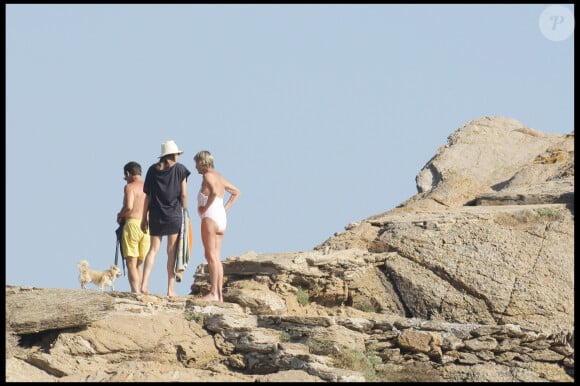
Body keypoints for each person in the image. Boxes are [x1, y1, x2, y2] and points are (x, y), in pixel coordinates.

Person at [141, 140, 190, 296]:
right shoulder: (180, 170)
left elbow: (147, 197)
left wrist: (144, 217)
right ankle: (170, 289)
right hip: (174, 214)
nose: (178, 156)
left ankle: (144, 284)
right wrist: (185, 212)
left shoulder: (151, 171)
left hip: (155, 215)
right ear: (172, 155)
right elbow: (183, 194)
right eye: (177, 154)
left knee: (153, 250)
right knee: (171, 251)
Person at [194, 150, 240, 302]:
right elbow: (235, 192)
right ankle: (219, 294)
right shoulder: (219, 177)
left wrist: (205, 208)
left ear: (202, 162)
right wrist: (224, 209)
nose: (196, 167)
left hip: (211, 218)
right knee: (216, 256)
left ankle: (214, 293)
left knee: (210, 255)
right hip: (221, 217)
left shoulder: (207, 176)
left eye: (197, 163)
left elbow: (213, 192)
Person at [116, 161, 150, 294]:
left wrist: (120, 215)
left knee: (131, 261)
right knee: (139, 263)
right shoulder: (149, 186)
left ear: (128, 173)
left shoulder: (130, 187)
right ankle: (140, 291)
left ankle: (135, 292)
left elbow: (129, 206)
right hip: (147, 227)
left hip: (132, 224)